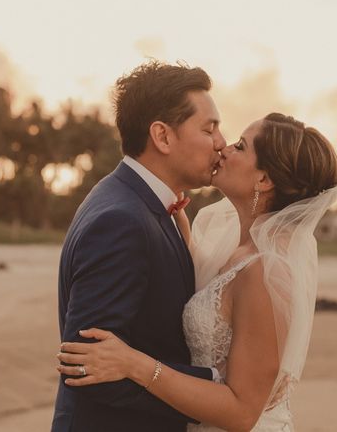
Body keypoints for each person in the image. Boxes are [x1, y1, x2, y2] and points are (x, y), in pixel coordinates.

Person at [57, 112, 337, 432]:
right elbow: (215, 296)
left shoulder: (264, 272)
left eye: (240, 146)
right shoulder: (237, 250)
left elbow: (242, 413)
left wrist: (135, 364)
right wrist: (181, 237)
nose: (223, 149)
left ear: (263, 179)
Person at [51, 61, 227, 432]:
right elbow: (87, 365)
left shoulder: (139, 204)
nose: (221, 143)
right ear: (162, 136)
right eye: (209, 128)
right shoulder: (122, 221)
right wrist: (212, 388)